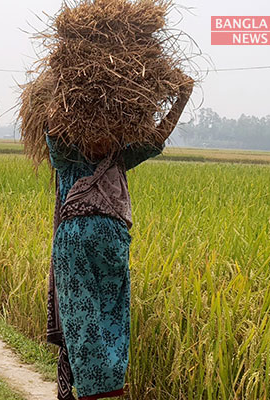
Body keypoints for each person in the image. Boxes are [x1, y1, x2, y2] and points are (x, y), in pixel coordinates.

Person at [46, 79, 193, 400]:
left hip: (98, 244)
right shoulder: (69, 155)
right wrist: (63, 84)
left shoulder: (110, 156)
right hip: (95, 243)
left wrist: (182, 99)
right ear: (80, 128)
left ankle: (84, 390)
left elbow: (156, 136)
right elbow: (54, 124)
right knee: (89, 315)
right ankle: (78, 390)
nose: (100, 136)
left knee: (98, 314)